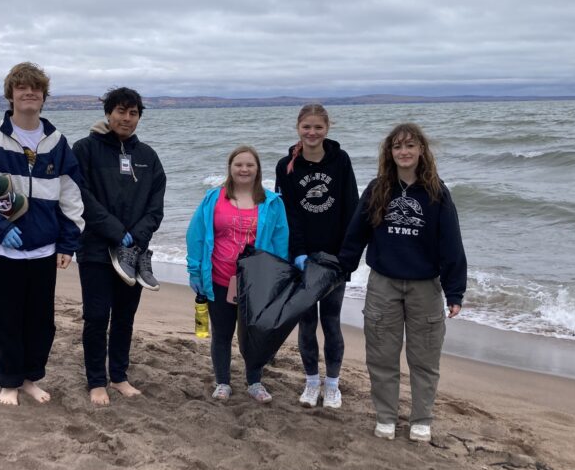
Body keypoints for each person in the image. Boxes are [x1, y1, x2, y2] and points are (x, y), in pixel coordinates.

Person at [0, 61, 85, 406]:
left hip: (43, 250)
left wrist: (68, 243)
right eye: (22, 88)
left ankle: (29, 378)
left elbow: (72, 196)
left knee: (40, 322)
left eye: (36, 89)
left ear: (44, 97)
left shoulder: (56, 142)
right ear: (11, 95)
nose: (30, 93)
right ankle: (8, 381)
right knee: (3, 318)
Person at [339, 123, 466, 442]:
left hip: (425, 286)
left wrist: (455, 290)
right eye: (398, 147)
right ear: (389, 153)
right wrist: (342, 269)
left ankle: (421, 419)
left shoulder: (437, 192)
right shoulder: (377, 188)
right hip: (384, 283)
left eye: (410, 146)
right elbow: (356, 235)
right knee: (381, 355)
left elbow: (451, 243)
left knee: (424, 358)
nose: (404, 152)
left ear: (422, 150)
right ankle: (386, 416)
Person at [73, 87, 166, 406]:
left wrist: (137, 237)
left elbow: (156, 205)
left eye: (133, 113)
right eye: (121, 111)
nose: (127, 118)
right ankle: (96, 381)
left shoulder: (147, 156)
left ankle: (119, 377)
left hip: (133, 253)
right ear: (108, 113)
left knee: (125, 316)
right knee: (97, 316)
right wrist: (115, 231)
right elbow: (81, 197)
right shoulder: (85, 149)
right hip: (96, 249)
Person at [186, 146, 289, 403]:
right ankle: (222, 382)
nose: (244, 169)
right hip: (219, 279)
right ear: (230, 168)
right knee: (222, 334)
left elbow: (280, 241)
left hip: (256, 283)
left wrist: (278, 277)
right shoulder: (213, 198)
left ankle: (254, 382)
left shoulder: (272, 203)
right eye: (238, 165)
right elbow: (196, 234)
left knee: (254, 336)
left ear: (257, 169)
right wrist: (194, 269)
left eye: (249, 165)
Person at [274, 103, 358, 410]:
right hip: (303, 259)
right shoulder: (286, 166)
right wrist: (296, 254)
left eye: (318, 127)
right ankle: (311, 382)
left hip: (335, 258)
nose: (312, 132)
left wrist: (348, 256)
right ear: (298, 128)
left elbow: (352, 208)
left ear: (327, 129)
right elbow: (287, 214)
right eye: (306, 127)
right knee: (307, 322)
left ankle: (332, 385)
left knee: (332, 321)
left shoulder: (341, 160)